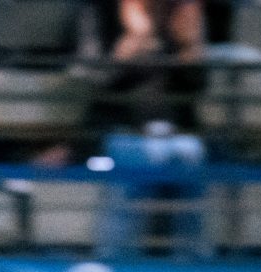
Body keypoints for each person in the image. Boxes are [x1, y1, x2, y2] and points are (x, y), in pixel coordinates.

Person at [79, 0, 210, 257]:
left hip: (179, 133)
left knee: (190, 154)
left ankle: (193, 263)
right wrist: (130, 47)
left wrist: (189, 49)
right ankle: (116, 261)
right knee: (133, 158)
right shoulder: (105, 14)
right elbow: (97, 85)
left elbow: (198, 87)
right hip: (127, 130)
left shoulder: (183, 12)